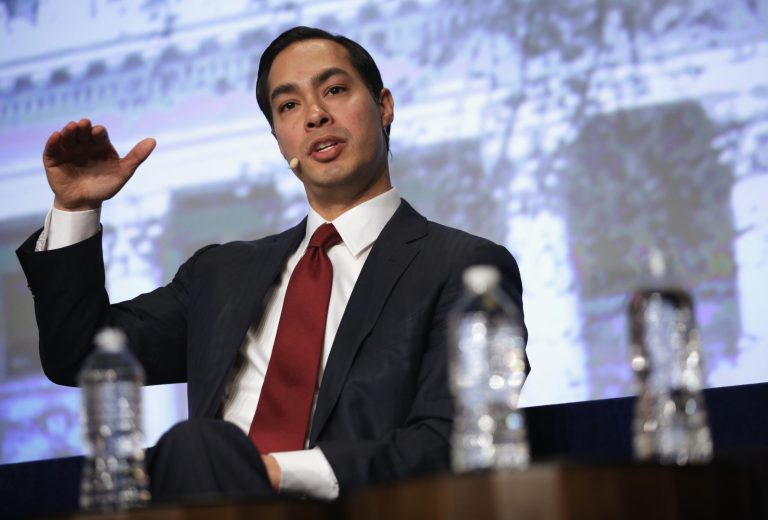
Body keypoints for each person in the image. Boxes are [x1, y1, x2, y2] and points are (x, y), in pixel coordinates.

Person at [16, 26, 526, 502]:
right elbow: (79, 354)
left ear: (384, 106)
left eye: (334, 91)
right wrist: (77, 208)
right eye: (288, 105)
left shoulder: (460, 267)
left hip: (350, 504)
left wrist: (275, 473)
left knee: (194, 450)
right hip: (205, 494)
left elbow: (453, 438)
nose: (314, 115)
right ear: (281, 142)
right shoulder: (221, 276)